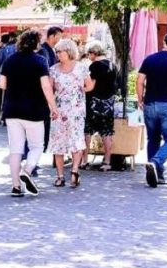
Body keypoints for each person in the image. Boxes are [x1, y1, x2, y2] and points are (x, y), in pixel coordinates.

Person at [0, 30, 59, 197]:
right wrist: (54, 107)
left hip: (12, 109)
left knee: (15, 149)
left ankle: (16, 186)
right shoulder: (40, 61)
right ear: (36, 43)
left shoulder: (10, 60)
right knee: (37, 146)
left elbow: (2, 84)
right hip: (35, 109)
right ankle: (27, 170)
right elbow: (46, 87)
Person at [48, 39, 94, 188]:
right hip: (59, 110)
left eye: (60, 51)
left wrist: (82, 90)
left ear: (69, 51)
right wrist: (52, 107)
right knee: (58, 142)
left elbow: (89, 86)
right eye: (57, 52)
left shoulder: (81, 68)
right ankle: (61, 175)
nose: (58, 54)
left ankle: (74, 171)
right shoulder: (53, 69)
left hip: (76, 110)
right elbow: (49, 90)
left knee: (75, 139)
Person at [138, 32, 167, 187]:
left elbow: (140, 80)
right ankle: (156, 162)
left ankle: (157, 174)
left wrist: (140, 99)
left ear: (164, 41)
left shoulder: (150, 59)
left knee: (153, 139)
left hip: (150, 103)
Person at [84, 40, 118, 170]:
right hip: (108, 104)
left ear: (93, 53)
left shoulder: (95, 66)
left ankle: (84, 160)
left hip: (94, 103)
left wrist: (79, 88)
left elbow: (90, 86)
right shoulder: (113, 65)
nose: (88, 57)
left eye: (89, 54)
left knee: (87, 132)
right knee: (107, 133)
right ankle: (107, 162)